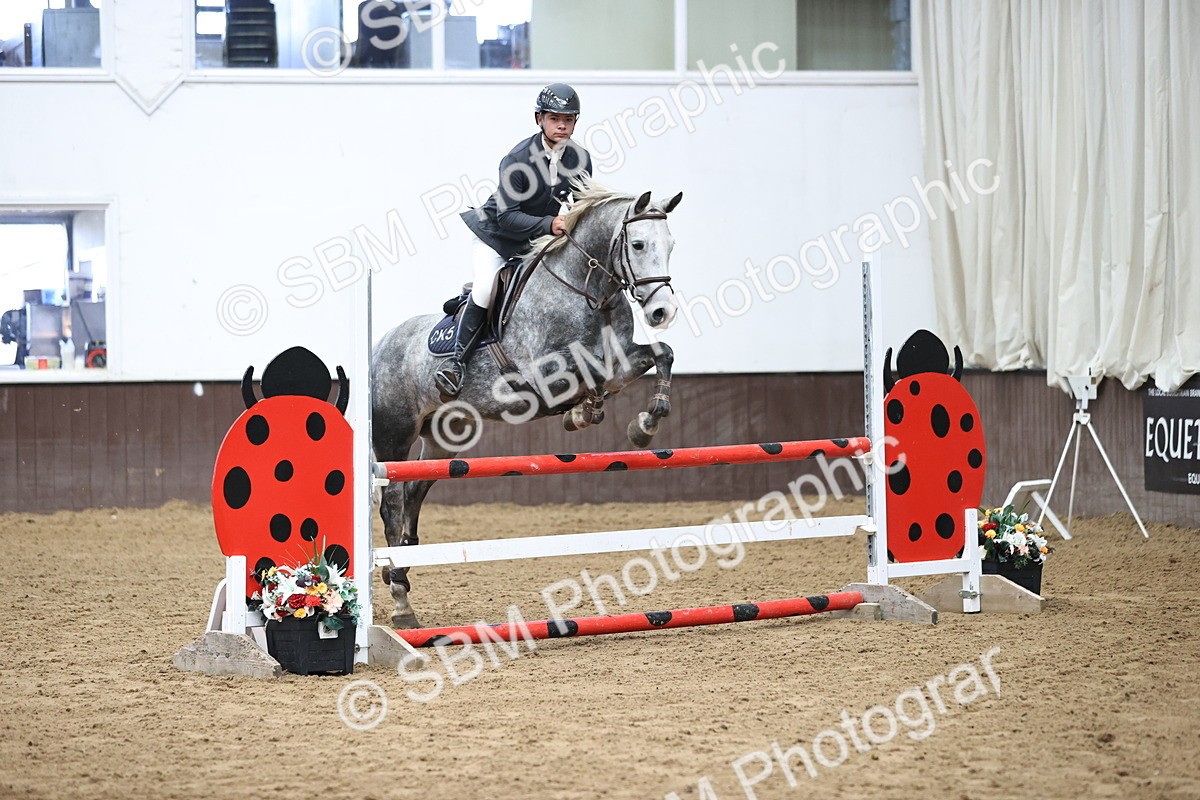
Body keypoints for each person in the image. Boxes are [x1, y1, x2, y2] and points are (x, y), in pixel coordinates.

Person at [434, 82, 594, 399]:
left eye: (568, 118)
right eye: (554, 118)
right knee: (484, 287)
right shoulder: (517, 159)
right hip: (495, 235)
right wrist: (551, 222)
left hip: (536, 237)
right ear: (539, 119)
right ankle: (455, 364)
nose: (562, 124)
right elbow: (508, 217)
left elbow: (581, 204)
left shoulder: (580, 158)